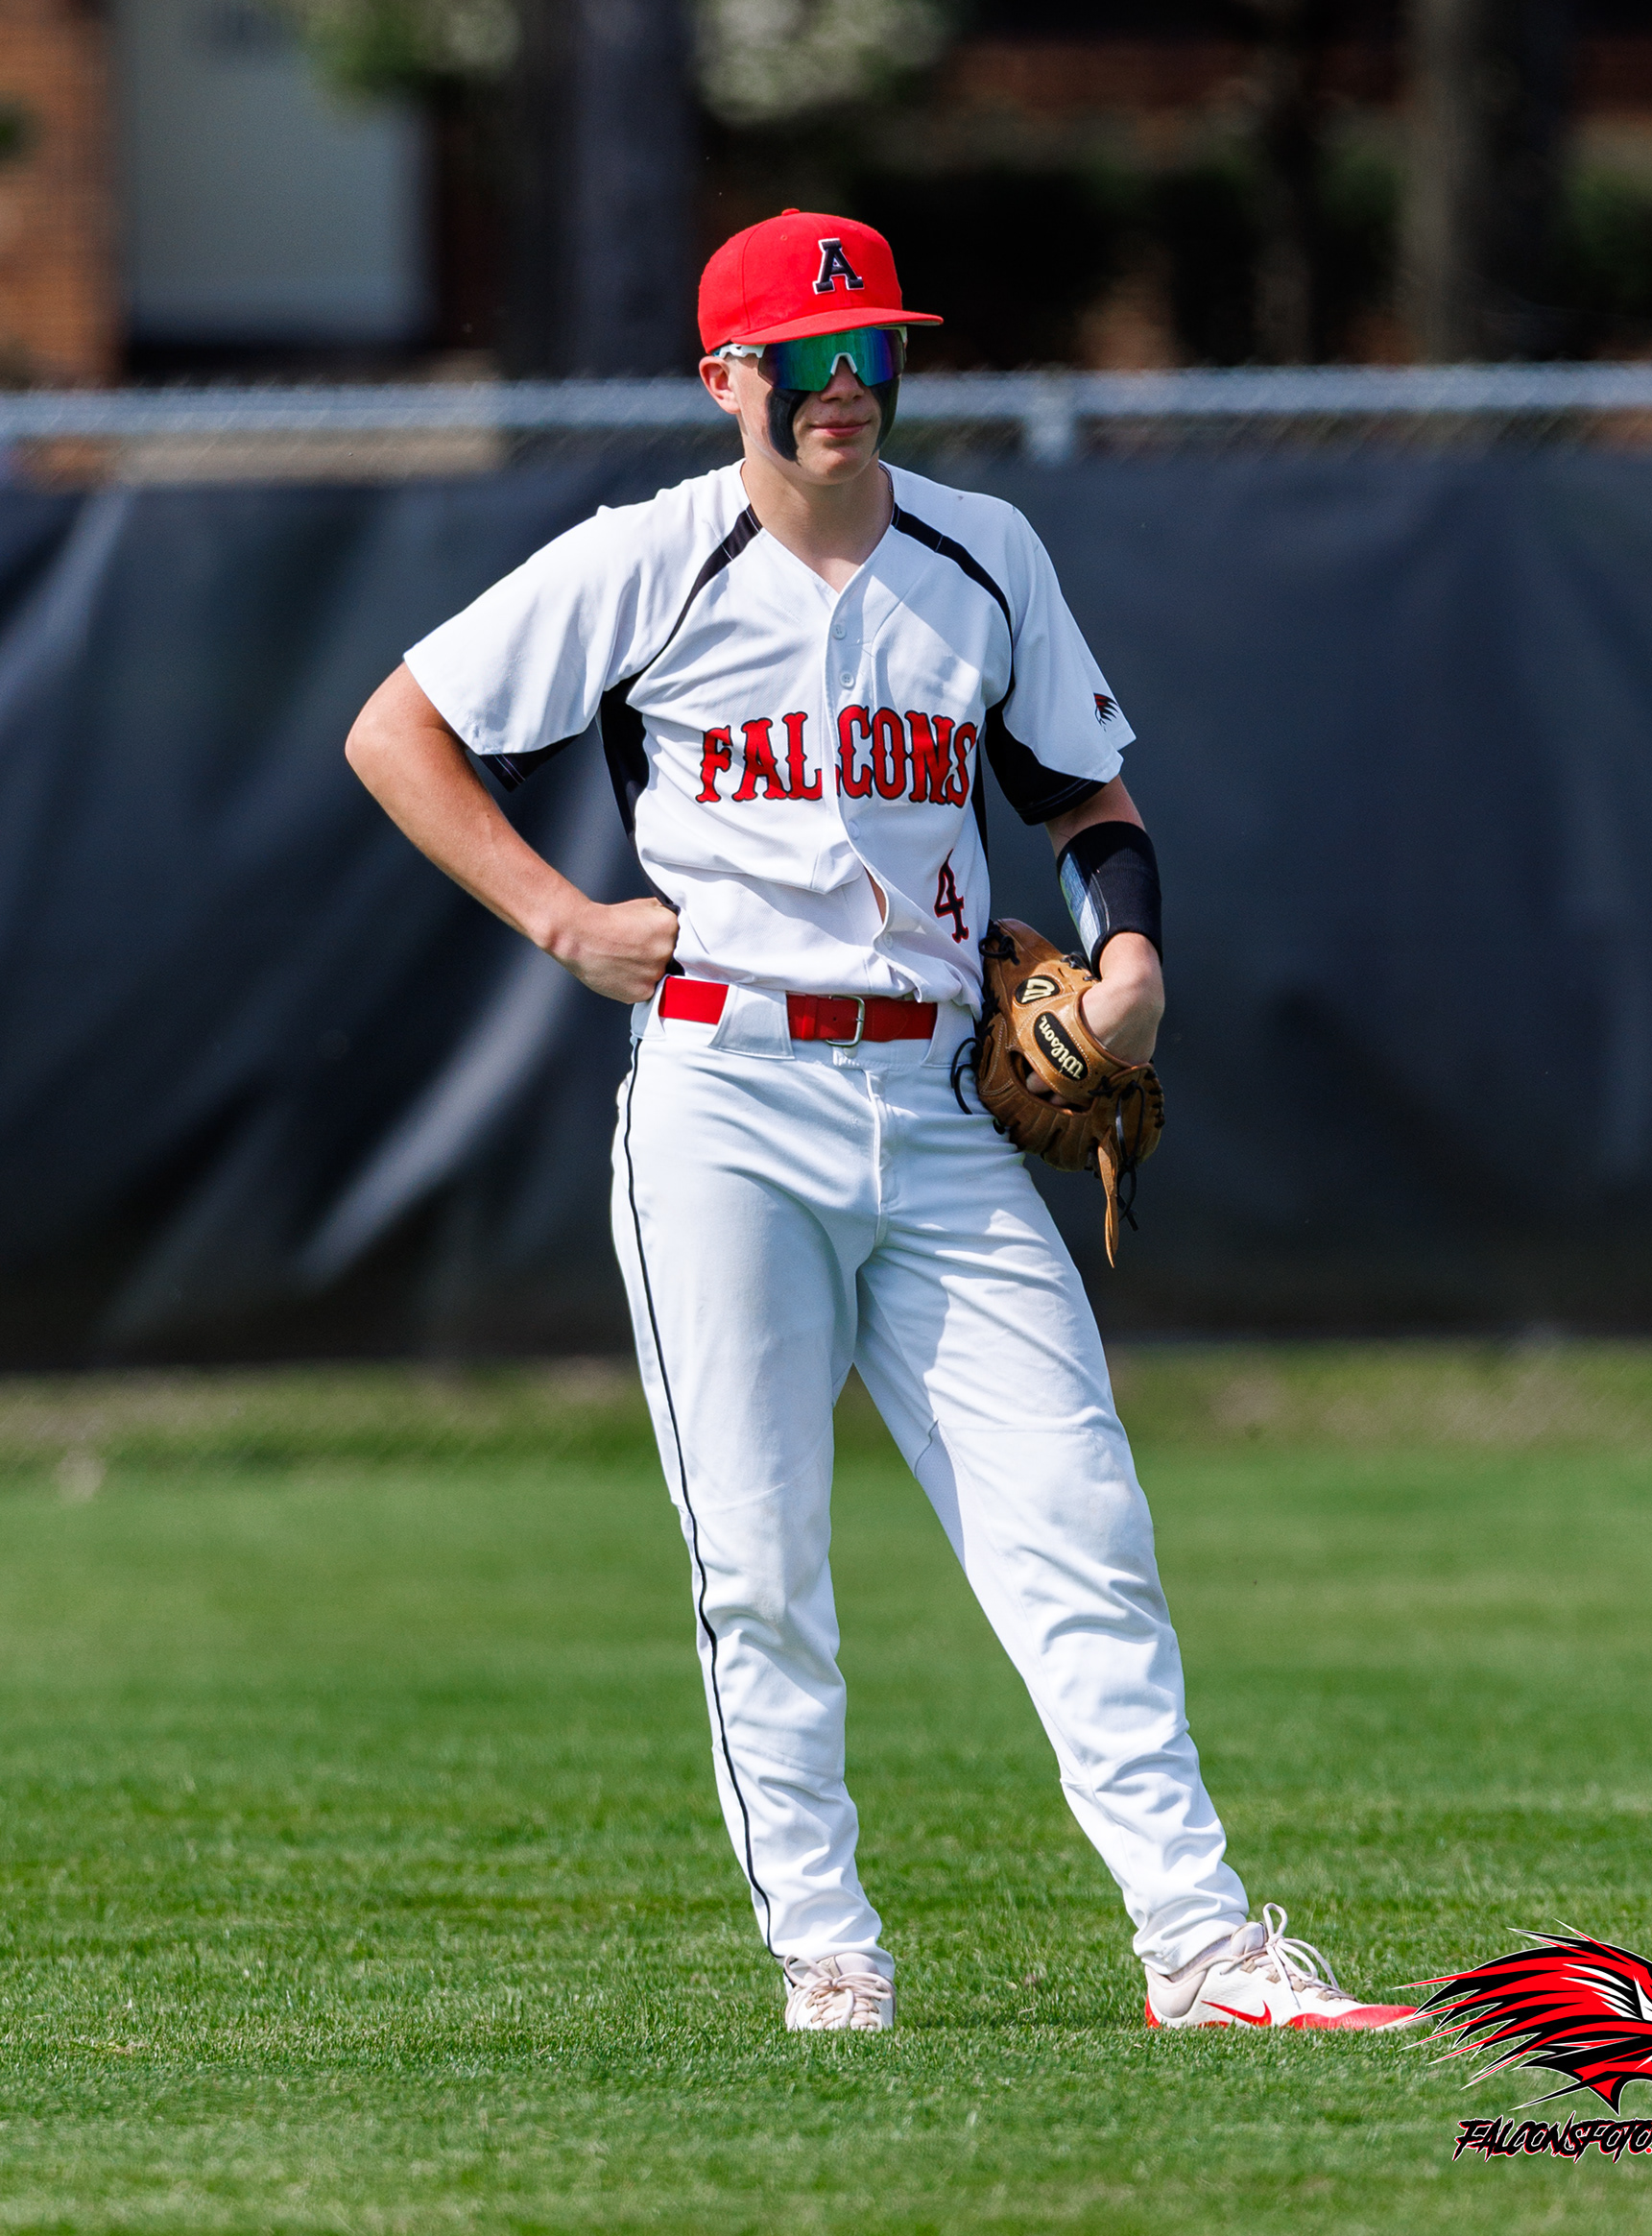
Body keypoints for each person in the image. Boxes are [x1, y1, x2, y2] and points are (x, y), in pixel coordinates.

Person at [346, 210, 1420, 2037]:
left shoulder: (982, 552)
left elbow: (1085, 798)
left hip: (934, 1098)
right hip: (725, 1095)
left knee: (1079, 1513)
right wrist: (560, 918)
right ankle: (828, 1951)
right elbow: (399, 729)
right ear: (728, 378)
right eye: (807, 358)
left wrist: (1132, 956)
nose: (846, 386)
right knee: (760, 1559)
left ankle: (1200, 1945)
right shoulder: (646, 560)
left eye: (874, 350)